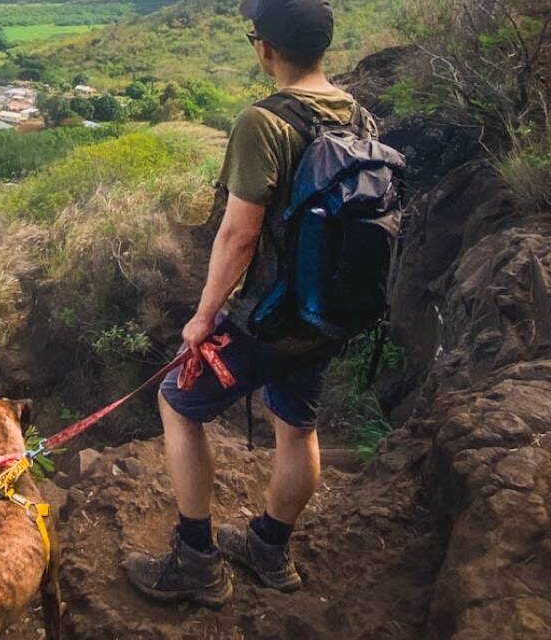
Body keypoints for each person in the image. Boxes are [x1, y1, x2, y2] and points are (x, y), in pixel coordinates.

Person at [123, 0, 378, 605]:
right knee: (296, 426)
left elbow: (239, 234)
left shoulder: (264, 122)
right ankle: (269, 548)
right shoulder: (358, 115)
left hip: (269, 316)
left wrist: (203, 317)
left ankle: (196, 561)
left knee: (178, 403)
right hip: (328, 313)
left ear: (264, 48)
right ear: (324, 46)